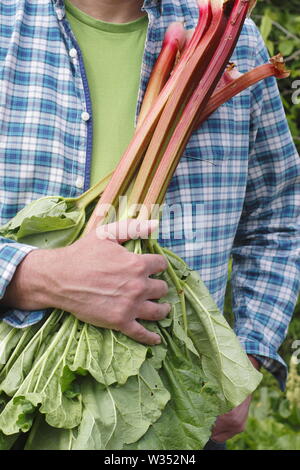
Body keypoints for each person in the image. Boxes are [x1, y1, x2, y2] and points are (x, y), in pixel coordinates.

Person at [0, 0, 299, 447]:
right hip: (13, 389)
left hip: (178, 409)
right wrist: (37, 277)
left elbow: (278, 219)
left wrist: (248, 355)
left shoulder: (229, 37)